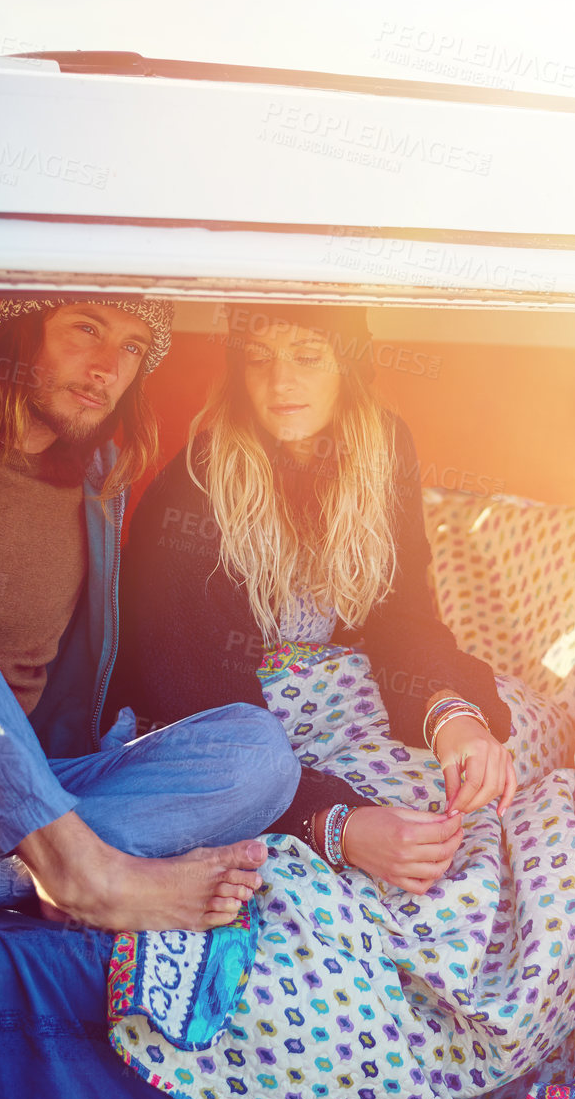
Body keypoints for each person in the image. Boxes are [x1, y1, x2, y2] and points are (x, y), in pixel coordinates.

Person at [0, 296, 299, 935]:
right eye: (87, 329)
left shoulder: (101, 481)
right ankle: (79, 871)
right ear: (24, 331)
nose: (108, 366)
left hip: (6, 809)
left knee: (261, 753)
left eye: (134, 348)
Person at [110, 303, 518, 894]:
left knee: (490, 754)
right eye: (259, 358)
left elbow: (400, 614)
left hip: (335, 704)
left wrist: (450, 712)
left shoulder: (382, 449)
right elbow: (194, 703)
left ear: (347, 368)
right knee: (369, 863)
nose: (280, 383)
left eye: (307, 356)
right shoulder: (198, 486)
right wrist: (335, 822)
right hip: (229, 736)